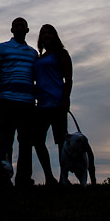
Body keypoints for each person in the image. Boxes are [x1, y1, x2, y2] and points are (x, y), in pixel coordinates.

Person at [0, 17, 38, 187]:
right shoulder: (2, 48)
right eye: (16, 25)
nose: (18, 27)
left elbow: (35, 77)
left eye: (22, 25)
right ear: (11, 30)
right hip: (7, 101)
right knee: (6, 142)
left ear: (27, 30)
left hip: (27, 103)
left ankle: (23, 180)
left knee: (26, 143)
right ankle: (3, 179)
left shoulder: (33, 53)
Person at [32, 23, 73, 186]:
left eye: (49, 33)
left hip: (57, 103)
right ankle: (49, 177)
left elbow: (68, 78)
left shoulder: (61, 54)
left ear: (55, 36)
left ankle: (64, 177)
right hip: (41, 104)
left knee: (62, 142)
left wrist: (65, 99)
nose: (46, 36)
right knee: (38, 140)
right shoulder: (39, 58)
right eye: (43, 33)